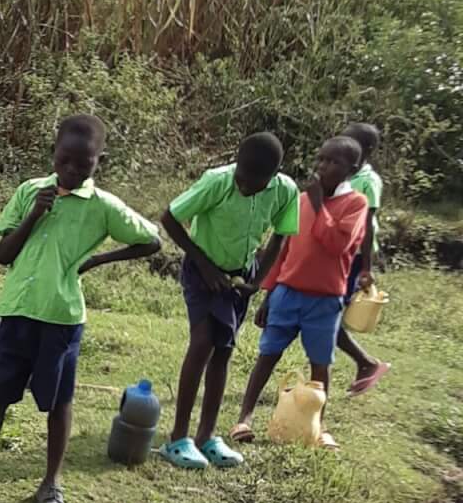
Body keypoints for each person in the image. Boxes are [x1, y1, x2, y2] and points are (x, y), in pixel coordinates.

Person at [0, 116, 160, 503]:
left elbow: (152, 239)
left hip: (61, 319)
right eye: (65, 160)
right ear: (53, 152)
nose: (72, 170)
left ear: (98, 161)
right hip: (17, 313)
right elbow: (4, 254)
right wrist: (34, 213)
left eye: (83, 163)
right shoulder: (28, 192)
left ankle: (50, 484)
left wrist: (97, 259)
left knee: (58, 403)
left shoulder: (102, 206)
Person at [157, 133, 301, 469]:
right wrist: (205, 266)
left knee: (224, 350)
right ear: (235, 163)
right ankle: (177, 438)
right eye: (242, 177)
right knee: (203, 342)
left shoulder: (285, 191)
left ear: (274, 175)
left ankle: (206, 437)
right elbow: (169, 218)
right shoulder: (217, 182)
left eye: (255, 182)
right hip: (202, 270)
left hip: (239, 276)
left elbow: (280, 236)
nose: (245, 185)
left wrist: (257, 280)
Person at [229, 135, 368, 448]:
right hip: (287, 293)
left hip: (325, 299)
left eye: (333, 162)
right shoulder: (301, 201)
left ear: (352, 168)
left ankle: (319, 428)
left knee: (320, 364)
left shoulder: (355, 204)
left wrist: (320, 204)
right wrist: (268, 293)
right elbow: (284, 249)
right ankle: (244, 418)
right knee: (267, 355)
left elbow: (336, 244)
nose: (323, 166)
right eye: (320, 159)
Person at [335, 121, 390, 394]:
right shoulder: (346, 175)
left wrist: (365, 268)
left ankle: (366, 363)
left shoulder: (367, 180)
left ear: (367, 149)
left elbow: (366, 225)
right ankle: (363, 363)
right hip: (338, 251)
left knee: (327, 316)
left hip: (354, 257)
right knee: (324, 315)